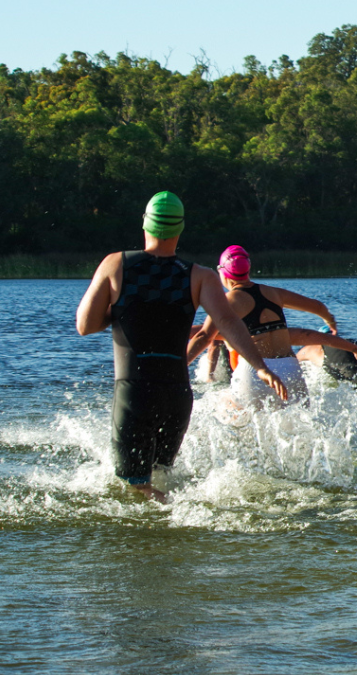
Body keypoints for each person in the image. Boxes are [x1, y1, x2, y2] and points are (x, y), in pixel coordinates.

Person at [74, 192, 288, 503]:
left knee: (133, 488)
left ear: (145, 224)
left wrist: (125, 309)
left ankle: (179, 516)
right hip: (176, 395)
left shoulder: (115, 265)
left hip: (135, 392)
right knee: (162, 475)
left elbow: (85, 326)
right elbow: (228, 323)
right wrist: (261, 367)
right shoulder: (200, 276)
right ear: (180, 229)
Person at [198, 245, 357, 407]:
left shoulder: (227, 302)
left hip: (254, 371)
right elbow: (317, 308)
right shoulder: (275, 295)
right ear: (248, 267)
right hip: (290, 369)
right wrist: (329, 320)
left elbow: (203, 335)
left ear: (222, 272)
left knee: (223, 406)